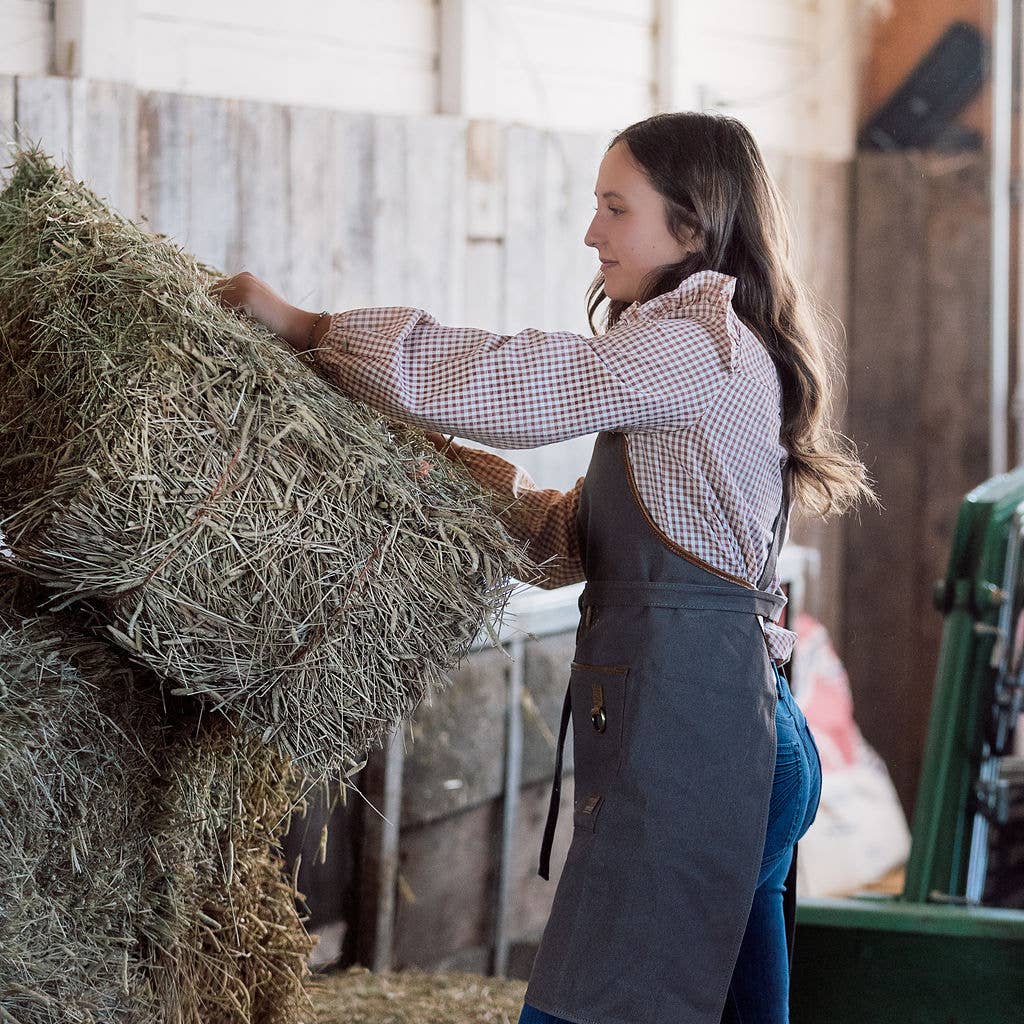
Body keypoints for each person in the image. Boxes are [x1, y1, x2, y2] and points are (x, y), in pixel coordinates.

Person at [212, 110, 876, 1024]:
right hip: (728, 736)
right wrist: (435, 477)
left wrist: (310, 326)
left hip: (703, 747)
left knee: (582, 1009)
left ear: (693, 225)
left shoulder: (696, 347)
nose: (592, 232)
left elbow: (521, 381)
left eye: (616, 208)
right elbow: (572, 539)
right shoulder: (689, 355)